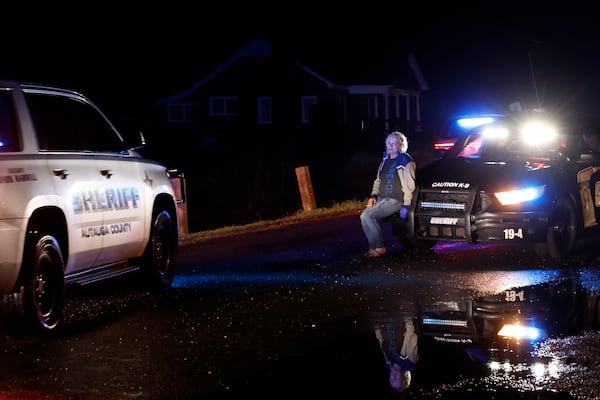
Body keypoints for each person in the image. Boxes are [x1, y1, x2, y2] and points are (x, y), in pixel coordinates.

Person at [360, 131, 416, 257]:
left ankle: (379, 247)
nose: (390, 146)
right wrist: (373, 195)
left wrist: (407, 205)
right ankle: (373, 247)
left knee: (368, 215)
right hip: (382, 198)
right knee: (364, 216)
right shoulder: (385, 159)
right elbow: (378, 180)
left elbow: (410, 186)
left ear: (401, 145)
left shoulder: (405, 160)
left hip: (396, 199)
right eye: (388, 143)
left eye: (394, 143)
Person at [374, 313, 419, 393]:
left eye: (392, 378)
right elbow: (412, 335)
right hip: (398, 319)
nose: (393, 376)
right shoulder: (410, 360)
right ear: (404, 376)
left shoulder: (389, 362)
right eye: (396, 378)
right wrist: (406, 316)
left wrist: (377, 326)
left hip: (384, 320)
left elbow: (381, 342)